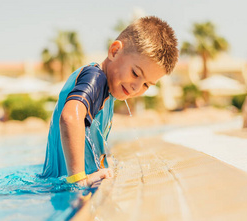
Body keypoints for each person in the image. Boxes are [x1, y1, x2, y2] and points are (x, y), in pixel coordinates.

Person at [41, 16, 179, 186]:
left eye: (146, 85)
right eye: (135, 73)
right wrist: (78, 181)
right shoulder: (95, 78)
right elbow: (70, 117)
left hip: (58, 184)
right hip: (62, 187)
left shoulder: (107, 92)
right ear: (114, 51)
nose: (136, 87)